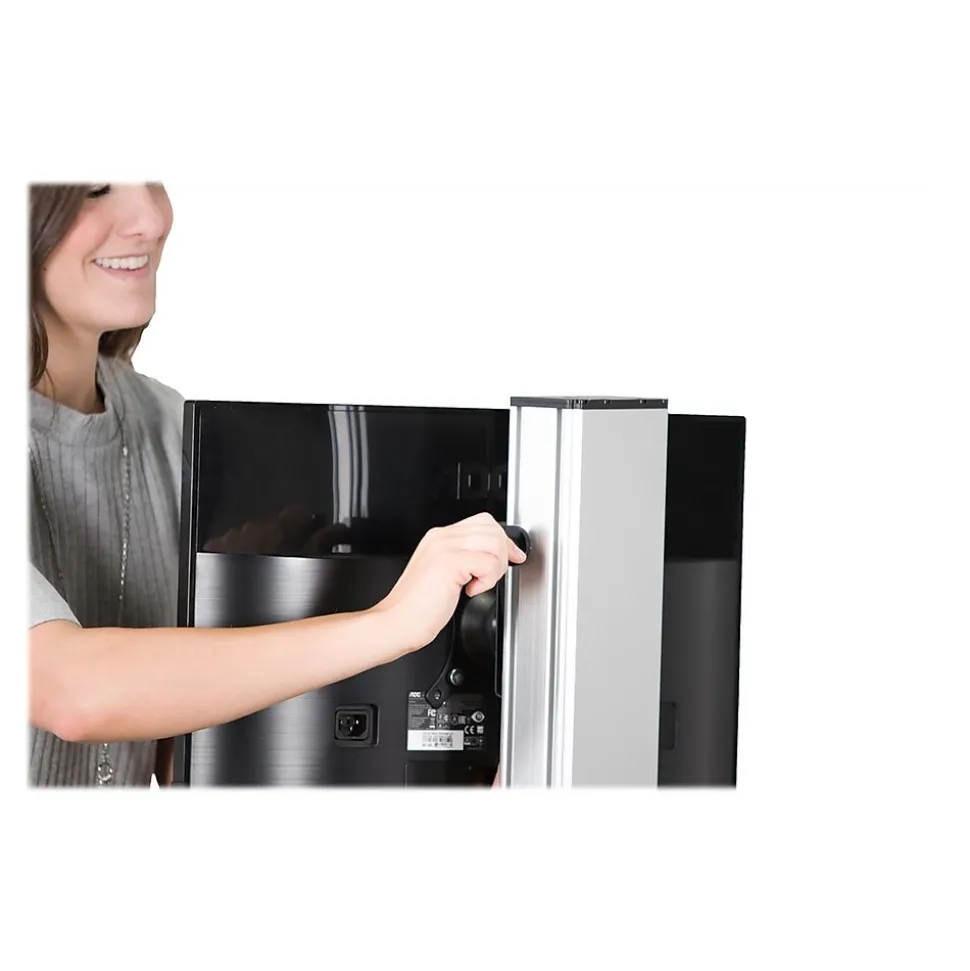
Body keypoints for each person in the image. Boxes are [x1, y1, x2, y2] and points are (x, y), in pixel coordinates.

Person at [27, 182, 523, 787]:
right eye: (96, 188)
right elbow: (70, 692)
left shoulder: (163, 422)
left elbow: (180, 754)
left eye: (149, 178)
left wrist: (254, 603)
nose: (151, 218)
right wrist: (390, 623)